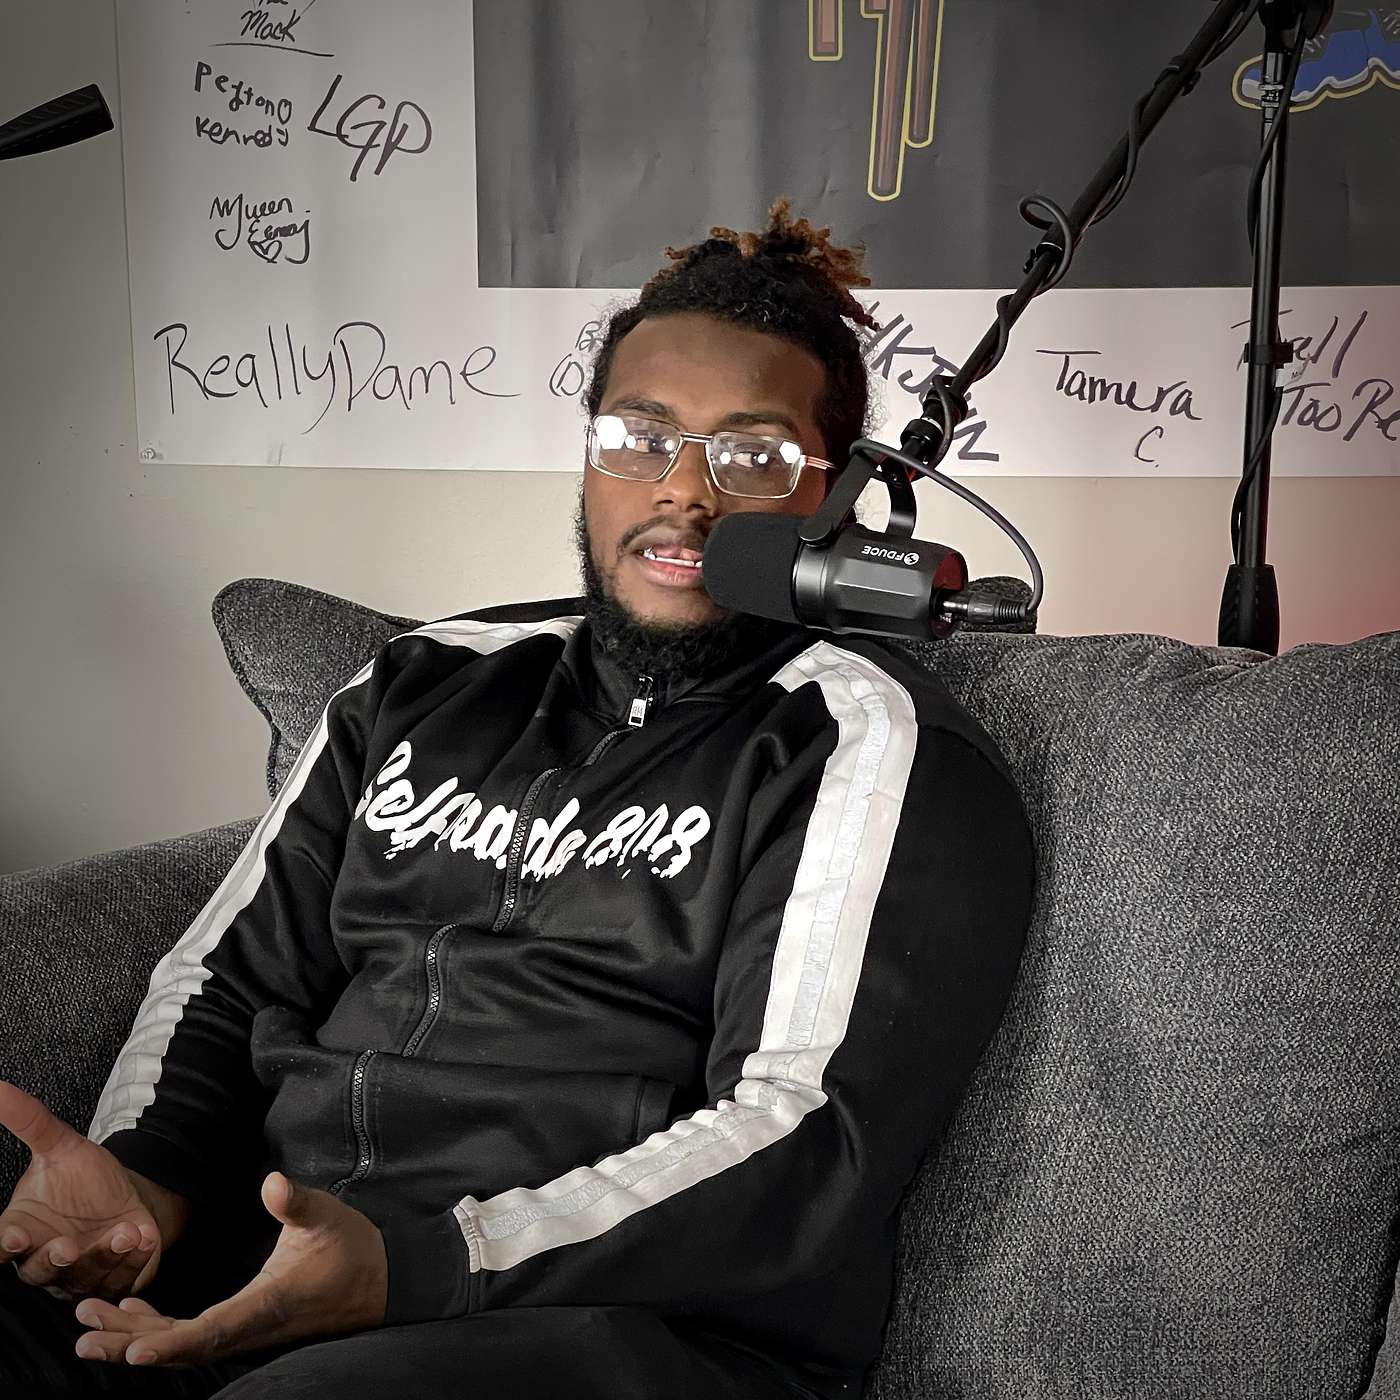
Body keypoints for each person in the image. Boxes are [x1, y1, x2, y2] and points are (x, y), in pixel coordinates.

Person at [0, 201, 1034, 1399]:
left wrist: (424, 1265)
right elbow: (228, 974)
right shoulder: (419, 682)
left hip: (610, 1331)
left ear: (835, 493)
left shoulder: (862, 741)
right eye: (638, 436)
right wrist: (147, 1178)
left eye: (750, 456)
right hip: (270, 1264)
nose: (682, 491)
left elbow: (800, 1127)